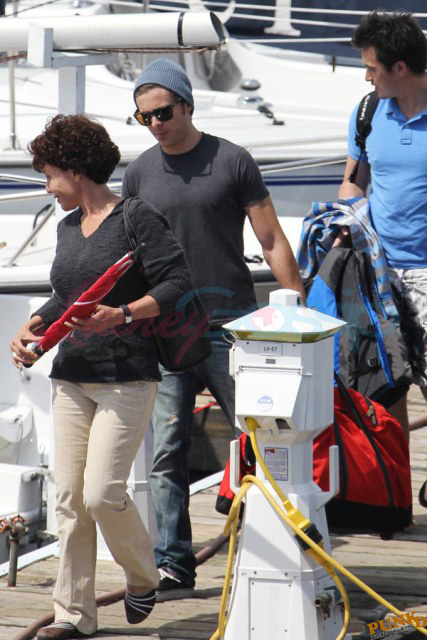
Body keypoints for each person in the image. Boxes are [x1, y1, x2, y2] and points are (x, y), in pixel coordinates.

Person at [122, 57, 305, 601]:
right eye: (144, 117)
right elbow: (129, 256)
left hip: (232, 327)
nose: (155, 124)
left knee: (263, 438)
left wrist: (296, 310)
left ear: (187, 105)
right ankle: (174, 563)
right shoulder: (138, 173)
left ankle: (277, 539)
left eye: (163, 112)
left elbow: (271, 239)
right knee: (167, 450)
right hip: (168, 331)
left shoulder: (232, 160)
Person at [10, 114, 193, 640]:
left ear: (75, 169)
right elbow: (68, 296)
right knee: (69, 501)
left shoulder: (135, 216)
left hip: (126, 376)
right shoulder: (67, 228)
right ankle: (73, 615)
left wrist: (125, 313)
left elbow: (177, 281)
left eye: (50, 175)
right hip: (71, 375)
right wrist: (34, 325)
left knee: (101, 493)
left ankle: (143, 576)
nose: (48, 187)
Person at [338, 12, 427, 457]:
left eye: (371, 67)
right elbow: (353, 182)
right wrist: (348, 218)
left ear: (400, 68)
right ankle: (395, 489)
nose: (366, 76)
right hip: (378, 276)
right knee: (385, 392)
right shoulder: (368, 111)